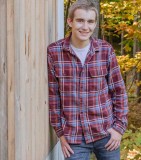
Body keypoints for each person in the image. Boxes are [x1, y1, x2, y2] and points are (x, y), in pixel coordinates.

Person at [47, 0, 128, 159]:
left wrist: (119, 128)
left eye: (90, 21)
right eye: (80, 20)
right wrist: (61, 134)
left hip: (106, 133)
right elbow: (53, 97)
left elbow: (119, 92)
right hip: (74, 137)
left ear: (95, 24)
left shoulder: (105, 50)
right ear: (70, 21)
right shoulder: (54, 52)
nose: (85, 27)